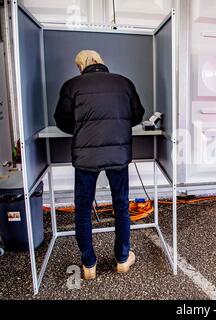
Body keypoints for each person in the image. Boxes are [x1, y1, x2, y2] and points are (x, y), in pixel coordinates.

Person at [54, 50, 145, 279]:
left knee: (83, 210)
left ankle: (89, 264)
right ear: (100, 62)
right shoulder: (124, 82)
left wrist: (84, 129)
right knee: (121, 205)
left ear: (82, 65)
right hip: (118, 153)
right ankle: (122, 258)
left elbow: (62, 121)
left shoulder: (71, 86)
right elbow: (137, 115)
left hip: (86, 157)